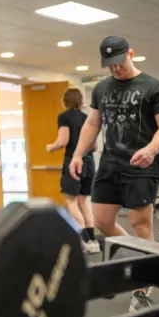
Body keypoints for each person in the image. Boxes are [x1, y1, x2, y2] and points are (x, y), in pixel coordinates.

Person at [69, 35, 159, 312]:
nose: (115, 69)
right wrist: (78, 154)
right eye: (110, 65)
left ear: (130, 54)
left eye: (119, 62)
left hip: (142, 166)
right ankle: (142, 257)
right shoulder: (102, 88)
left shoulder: (155, 87)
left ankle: (144, 286)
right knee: (103, 222)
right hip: (109, 164)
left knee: (142, 226)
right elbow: (93, 123)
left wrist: (152, 150)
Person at [45, 87, 100, 253]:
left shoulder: (64, 117)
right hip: (89, 163)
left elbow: (63, 140)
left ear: (65, 101)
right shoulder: (86, 118)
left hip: (73, 163)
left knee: (71, 201)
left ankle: (83, 240)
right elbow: (95, 146)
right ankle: (92, 241)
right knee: (83, 202)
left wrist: (51, 147)